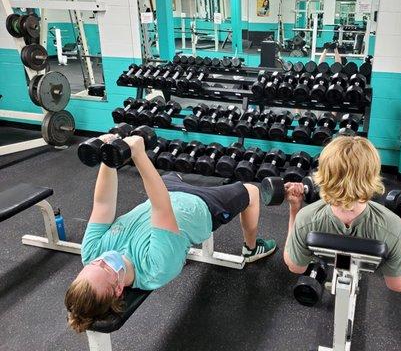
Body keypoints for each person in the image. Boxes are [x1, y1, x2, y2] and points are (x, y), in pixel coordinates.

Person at [65, 134, 276, 332]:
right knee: (252, 191)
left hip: (166, 192)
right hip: (202, 205)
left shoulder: (91, 252)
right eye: (105, 268)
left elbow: (103, 204)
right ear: (118, 289)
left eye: (92, 265)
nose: (101, 260)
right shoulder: (155, 267)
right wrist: (138, 154)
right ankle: (251, 248)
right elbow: (161, 207)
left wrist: (107, 155)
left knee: (172, 172)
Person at [283, 136, 401, 293]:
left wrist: (294, 209)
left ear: (324, 173)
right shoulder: (393, 224)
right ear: (372, 176)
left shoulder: (306, 218)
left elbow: (295, 266)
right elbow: (399, 285)